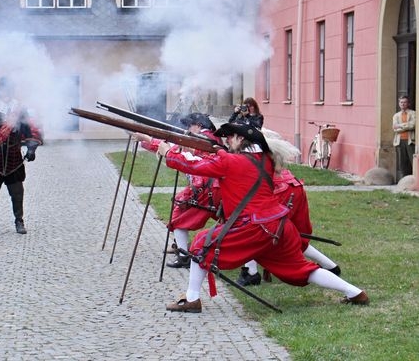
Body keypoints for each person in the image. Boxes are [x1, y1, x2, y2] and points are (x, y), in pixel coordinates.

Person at [157, 122, 369, 313]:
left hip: (255, 226)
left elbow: (194, 165)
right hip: (278, 225)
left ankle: (192, 299)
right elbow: (218, 161)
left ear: (241, 140)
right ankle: (354, 291)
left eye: (230, 137)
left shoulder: (232, 161)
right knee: (300, 268)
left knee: (202, 243)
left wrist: (170, 152)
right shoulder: (263, 159)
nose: (227, 140)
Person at [237, 136, 340, 287]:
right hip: (291, 186)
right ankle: (331, 267)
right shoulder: (257, 146)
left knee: (254, 230)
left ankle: (251, 273)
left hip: (281, 189)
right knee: (292, 234)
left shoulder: (251, 150)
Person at [132, 112, 222, 269]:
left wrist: (146, 140)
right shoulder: (209, 138)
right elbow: (175, 150)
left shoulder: (203, 139)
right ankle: (250, 270)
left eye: (189, 126)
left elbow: (175, 151)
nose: (187, 129)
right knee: (235, 224)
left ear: (199, 126)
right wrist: (146, 141)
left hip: (205, 189)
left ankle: (183, 256)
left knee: (178, 217)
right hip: (215, 188)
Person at [0, 77, 43, 235]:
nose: (7, 93)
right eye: (5, 89)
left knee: (17, 193)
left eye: (10, 89)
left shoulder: (19, 111)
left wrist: (31, 149)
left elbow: (30, 132)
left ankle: (19, 222)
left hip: (14, 158)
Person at [392, 95, 415, 182]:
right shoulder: (396, 115)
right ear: (399, 104)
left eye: (405, 102)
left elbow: (413, 125)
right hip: (400, 141)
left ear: (408, 103)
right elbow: (394, 128)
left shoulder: (413, 113)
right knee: (402, 162)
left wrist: (400, 126)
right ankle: (404, 181)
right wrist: (406, 125)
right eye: (401, 102)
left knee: (412, 161)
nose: (403, 104)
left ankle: (414, 180)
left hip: (410, 141)